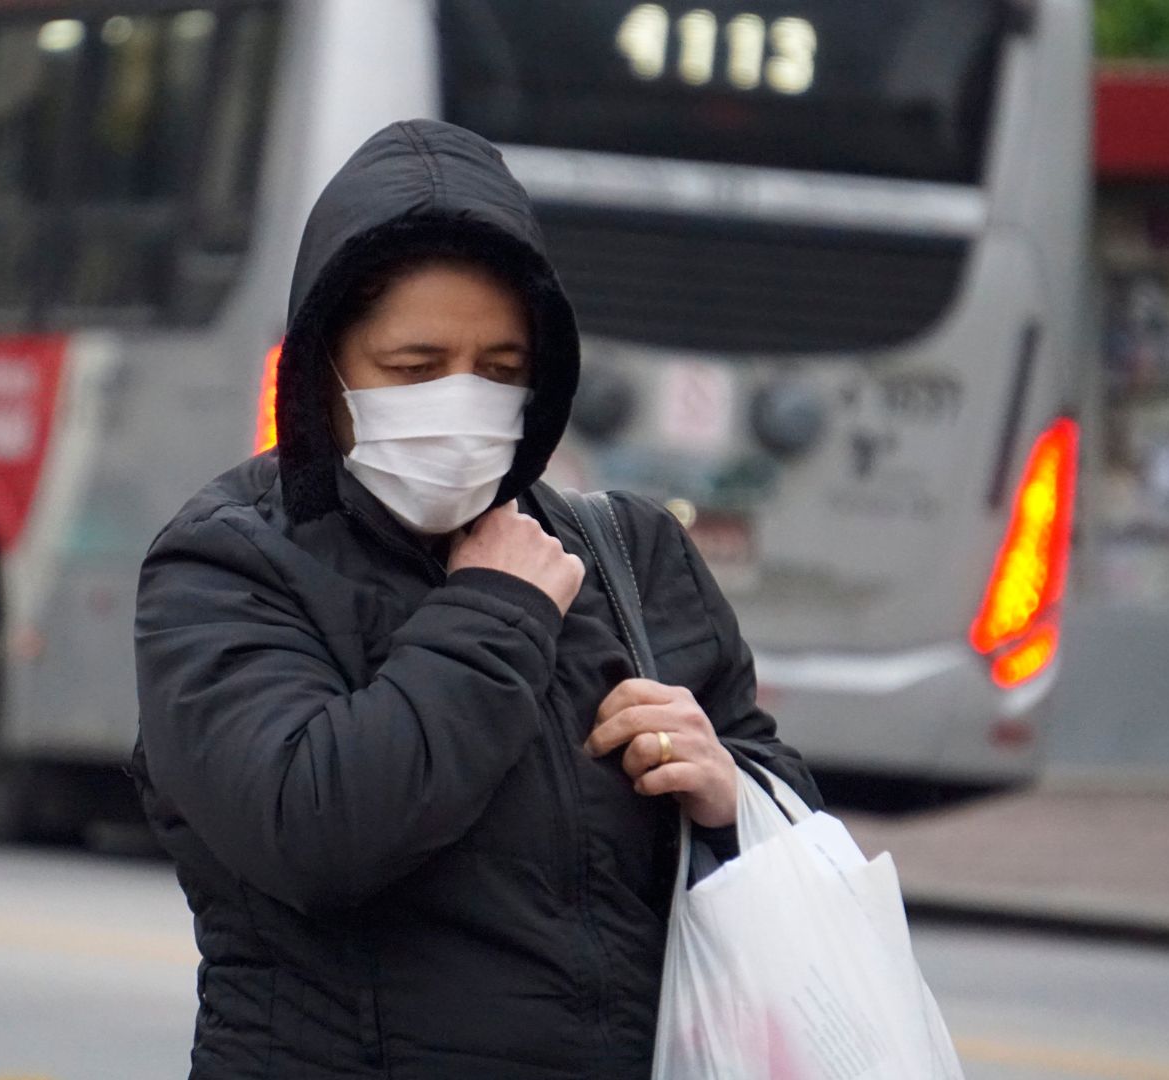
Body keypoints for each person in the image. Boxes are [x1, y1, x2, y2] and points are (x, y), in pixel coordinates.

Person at [131, 120, 820, 1079]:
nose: (460, 401)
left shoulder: (628, 555)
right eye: (413, 369)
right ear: (324, 372)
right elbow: (311, 833)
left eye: (500, 371)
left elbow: (787, 821)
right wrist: (497, 608)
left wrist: (729, 794)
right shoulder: (230, 564)